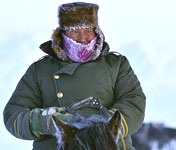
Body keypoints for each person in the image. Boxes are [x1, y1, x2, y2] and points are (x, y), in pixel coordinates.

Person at [3, 2, 146, 150]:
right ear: (63, 33)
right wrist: (45, 121)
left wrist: (104, 127)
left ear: (97, 31)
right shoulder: (40, 70)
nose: (83, 38)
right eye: (75, 31)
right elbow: (13, 115)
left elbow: (134, 102)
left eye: (88, 30)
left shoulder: (116, 64)